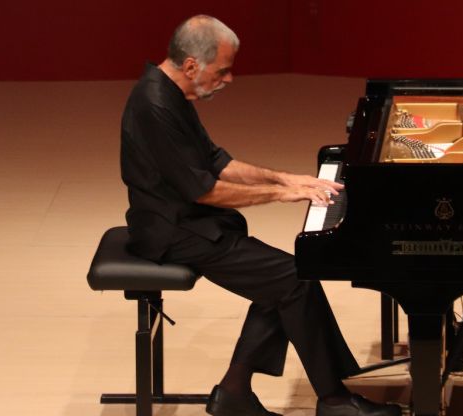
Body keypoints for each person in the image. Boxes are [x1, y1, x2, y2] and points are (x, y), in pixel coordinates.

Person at [120, 14, 402, 416]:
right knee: (293, 279)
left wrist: (284, 177)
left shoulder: (170, 91)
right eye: (224, 70)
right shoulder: (154, 105)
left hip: (190, 221)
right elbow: (206, 189)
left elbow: (218, 161)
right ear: (191, 66)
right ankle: (335, 400)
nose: (230, 79)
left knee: (283, 281)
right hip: (171, 231)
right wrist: (279, 194)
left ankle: (235, 393)